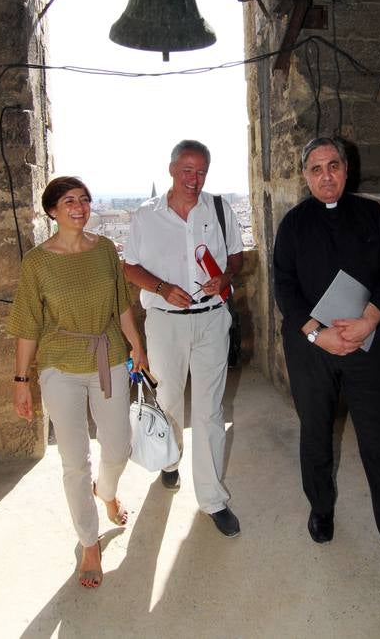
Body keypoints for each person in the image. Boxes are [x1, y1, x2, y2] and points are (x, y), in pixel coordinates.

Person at [273, 137, 380, 582]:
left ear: (347, 171)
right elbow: (285, 289)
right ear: (306, 176)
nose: (326, 175)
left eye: (333, 166)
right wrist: (317, 334)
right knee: (316, 433)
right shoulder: (292, 225)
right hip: (314, 349)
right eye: (316, 169)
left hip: (368, 344)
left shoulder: (372, 216)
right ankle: (321, 509)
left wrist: (369, 320)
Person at [9, 176, 148, 588]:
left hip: (108, 354)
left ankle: (105, 491)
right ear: (51, 210)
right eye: (69, 200)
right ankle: (89, 543)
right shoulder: (37, 262)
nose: (80, 206)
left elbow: (122, 305)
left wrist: (136, 344)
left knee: (119, 444)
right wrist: (21, 380)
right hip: (59, 364)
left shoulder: (105, 249)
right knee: (73, 461)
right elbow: (27, 324)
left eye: (84, 200)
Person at [124, 140, 243, 537]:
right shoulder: (145, 215)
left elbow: (237, 256)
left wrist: (225, 278)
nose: (194, 179)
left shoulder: (221, 209)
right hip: (165, 321)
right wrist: (160, 287)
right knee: (170, 400)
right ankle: (169, 461)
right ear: (172, 169)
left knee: (210, 411)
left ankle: (212, 499)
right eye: (187, 171)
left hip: (211, 319)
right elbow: (130, 267)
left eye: (201, 171)